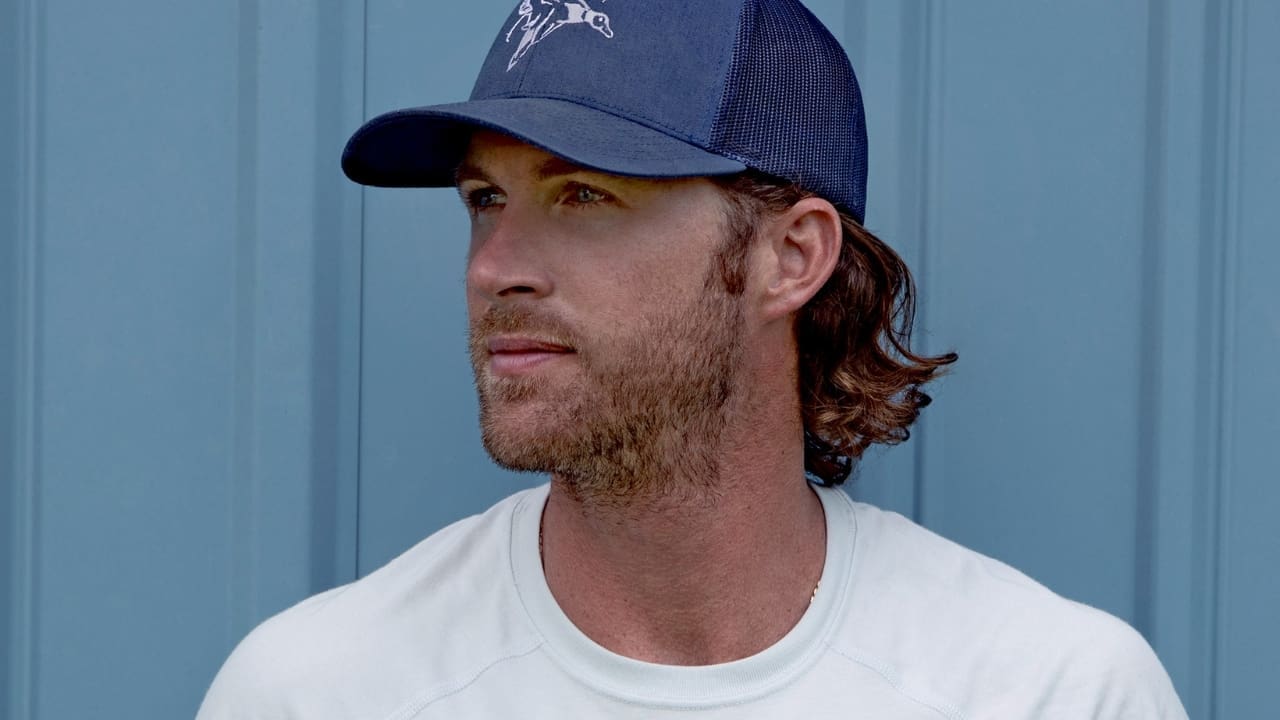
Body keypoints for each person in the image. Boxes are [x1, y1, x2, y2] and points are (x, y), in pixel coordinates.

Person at [197, 0, 1187, 717]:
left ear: (788, 257)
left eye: (584, 195)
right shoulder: (321, 691)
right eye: (485, 200)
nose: (493, 268)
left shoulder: (1043, 691)